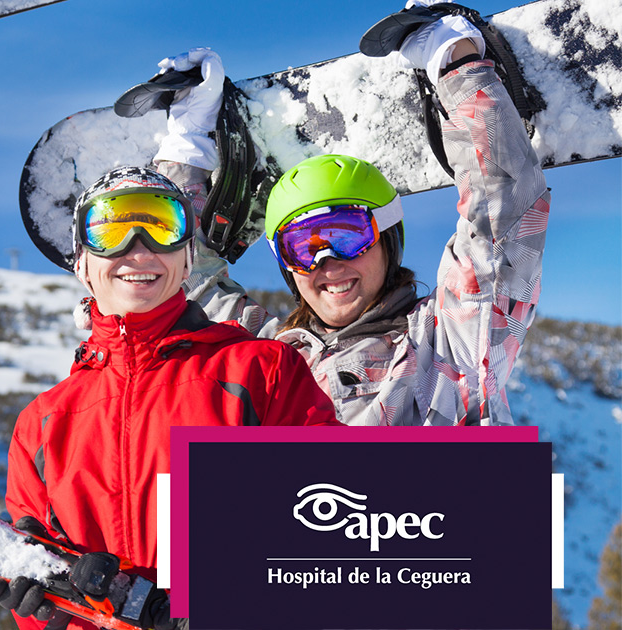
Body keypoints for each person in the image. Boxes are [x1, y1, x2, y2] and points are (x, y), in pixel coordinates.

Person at [152, 5, 547, 427]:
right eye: (302, 246)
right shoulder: (270, 356)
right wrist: (187, 149)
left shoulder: (447, 342)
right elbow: (181, 280)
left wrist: (459, 66)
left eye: (346, 235)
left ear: (386, 237)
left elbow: (502, 214)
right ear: (287, 266)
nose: (327, 262)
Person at [0, 166, 339, 629]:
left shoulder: (259, 372)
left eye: (161, 225)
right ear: (81, 263)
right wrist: (40, 591)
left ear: (188, 259)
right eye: (110, 229)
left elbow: (331, 525)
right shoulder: (43, 423)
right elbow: (44, 613)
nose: (138, 248)